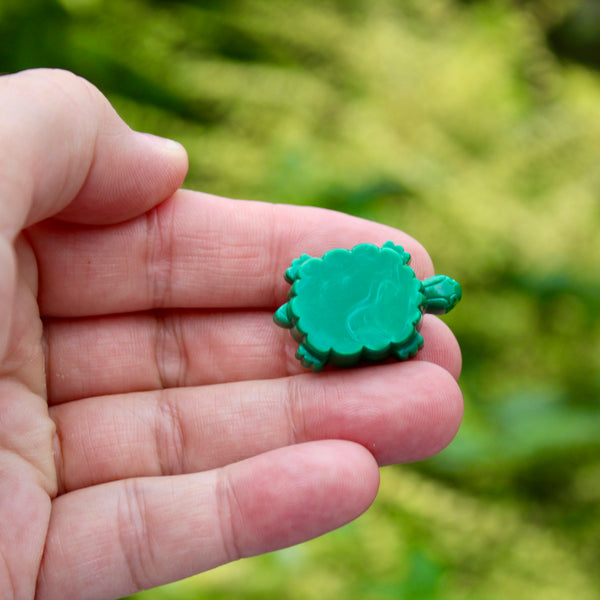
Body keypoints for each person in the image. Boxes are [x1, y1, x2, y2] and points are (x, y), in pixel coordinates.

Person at [0, 68, 463, 600]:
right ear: (434, 297)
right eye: (440, 295)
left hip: (319, 295)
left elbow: (378, 307)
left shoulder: (395, 278)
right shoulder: (400, 293)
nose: (437, 296)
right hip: (327, 312)